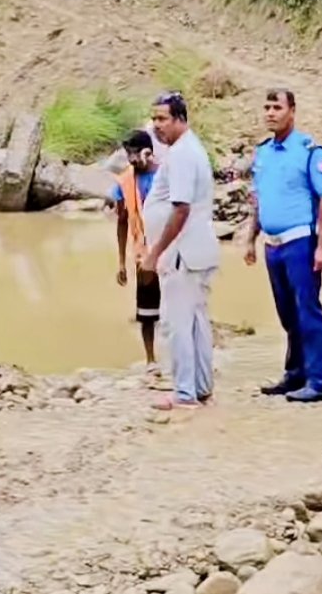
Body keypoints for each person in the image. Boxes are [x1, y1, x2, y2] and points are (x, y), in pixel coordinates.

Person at [244, 88, 322, 404]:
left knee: (307, 310)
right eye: (266, 106)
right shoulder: (263, 152)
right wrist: (250, 239)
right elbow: (260, 199)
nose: (270, 112)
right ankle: (295, 373)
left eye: (277, 107)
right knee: (287, 313)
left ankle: (319, 381)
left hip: (300, 240)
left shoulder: (309, 150)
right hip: (272, 244)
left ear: (292, 111)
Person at [139, 92, 219, 410]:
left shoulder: (184, 154)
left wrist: (155, 251)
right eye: (154, 118)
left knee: (177, 322)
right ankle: (200, 386)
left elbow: (181, 209)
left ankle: (185, 391)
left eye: (163, 119)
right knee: (196, 319)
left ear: (180, 119)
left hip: (182, 253)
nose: (157, 125)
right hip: (193, 250)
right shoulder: (184, 150)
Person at [110, 129, 162, 379]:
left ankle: (182, 356)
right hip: (143, 253)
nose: (130, 159)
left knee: (177, 307)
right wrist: (121, 261)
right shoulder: (125, 181)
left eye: (134, 153)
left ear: (147, 151)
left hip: (170, 250)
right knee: (146, 311)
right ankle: (151, 360)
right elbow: (122, 219)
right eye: (127, 154)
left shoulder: (165, 175)